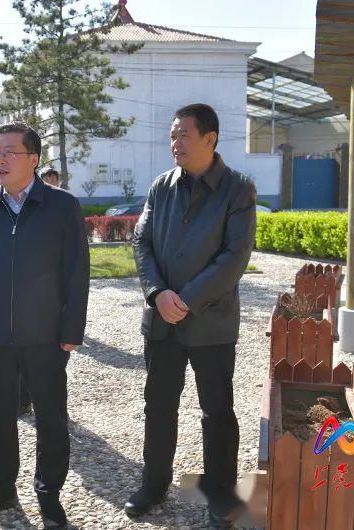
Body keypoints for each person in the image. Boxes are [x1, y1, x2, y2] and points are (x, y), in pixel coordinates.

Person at [127, 104, 256, 529]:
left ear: (210, 138)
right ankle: (154, 483)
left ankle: (220, 491)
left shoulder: (237, 190)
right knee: (158, 405)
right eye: (172, 134)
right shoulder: (161, 187)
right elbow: (141, 242)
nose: (175, 142)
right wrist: (157, 293)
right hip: (161, 320)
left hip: (212, 322)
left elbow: (233, 257)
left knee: (217, 409)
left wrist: (185, 299)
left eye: (183, 134)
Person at [0, 122, 89, 528]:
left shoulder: (62, 207)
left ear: (33, 159)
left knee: (50, 418)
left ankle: (49, 492)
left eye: (9, 152)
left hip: (45, 336)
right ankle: (0, 490)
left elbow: (76, 272)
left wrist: (71, 331)